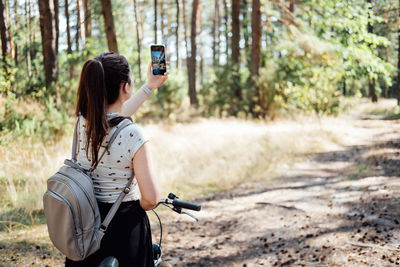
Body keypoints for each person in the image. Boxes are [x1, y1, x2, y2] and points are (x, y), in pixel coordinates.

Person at [65, 52, 168, 267]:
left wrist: (150, 86)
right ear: (125, 86)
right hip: (125, 230)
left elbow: (115, 118)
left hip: (86, 224)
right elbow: (150, 199)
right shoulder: (133, 135)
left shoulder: (82, 123)